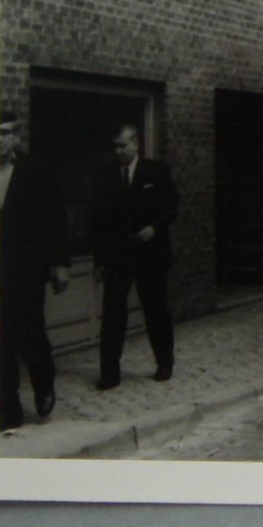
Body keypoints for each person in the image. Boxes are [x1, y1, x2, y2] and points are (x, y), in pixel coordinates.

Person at [0, 110, 70, 431]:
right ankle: (8, 409)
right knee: (0, 341)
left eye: (5, 132)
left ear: (15, 136)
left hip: (27, 270)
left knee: (31, 335)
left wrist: (60, 264)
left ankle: (43, 383)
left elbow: (55, 220)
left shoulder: (36, 171)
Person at [91, 124, 179, 389]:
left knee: (155, 310)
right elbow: (98, 220)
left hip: (149, 254)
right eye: (115, 146)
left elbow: (172, 206)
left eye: (123, 145)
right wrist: (99, 260)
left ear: (136, 144)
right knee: (113, 314)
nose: (119, 151)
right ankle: (109, 372)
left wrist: (154, 228)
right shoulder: (106, 175)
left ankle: (164, 362)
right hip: (118, 255)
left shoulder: (156, 171)